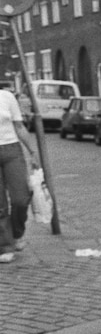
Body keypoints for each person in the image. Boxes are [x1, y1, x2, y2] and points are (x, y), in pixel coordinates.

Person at [0, 87, 39, 263]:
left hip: (12, 150)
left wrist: (32, 152)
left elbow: (19, 126)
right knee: (0, 205)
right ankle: (5, 245)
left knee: (21, 198)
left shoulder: (7, 97)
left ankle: (17, 232)